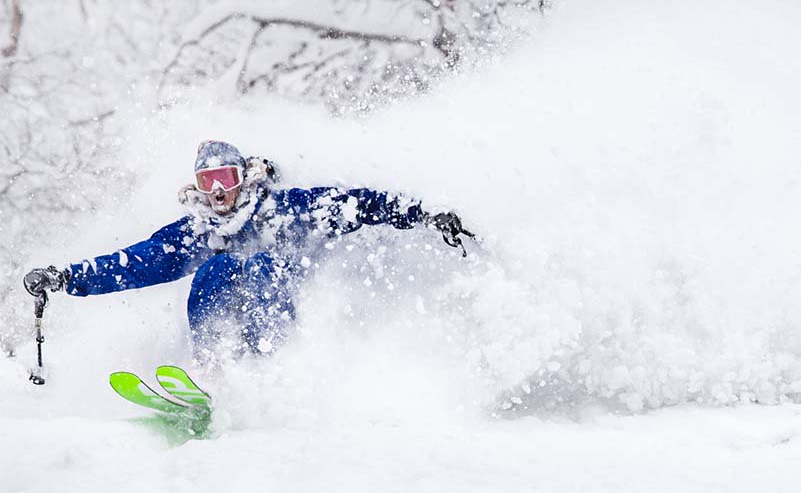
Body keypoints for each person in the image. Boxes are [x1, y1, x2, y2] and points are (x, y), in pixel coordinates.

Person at [22, 140, 473, 359]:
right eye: (208, 183)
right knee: (212, 272)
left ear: (245, 176)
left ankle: (271, 363)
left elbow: (358, 205)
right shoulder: (198, 231)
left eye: (226, 179)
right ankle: (212, 369)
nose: (219, 192)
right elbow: (140, 261)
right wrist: (67, 277)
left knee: (262, 263)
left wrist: (424, 214)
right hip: (229, 330)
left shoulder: (287, 210)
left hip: (285, 318)